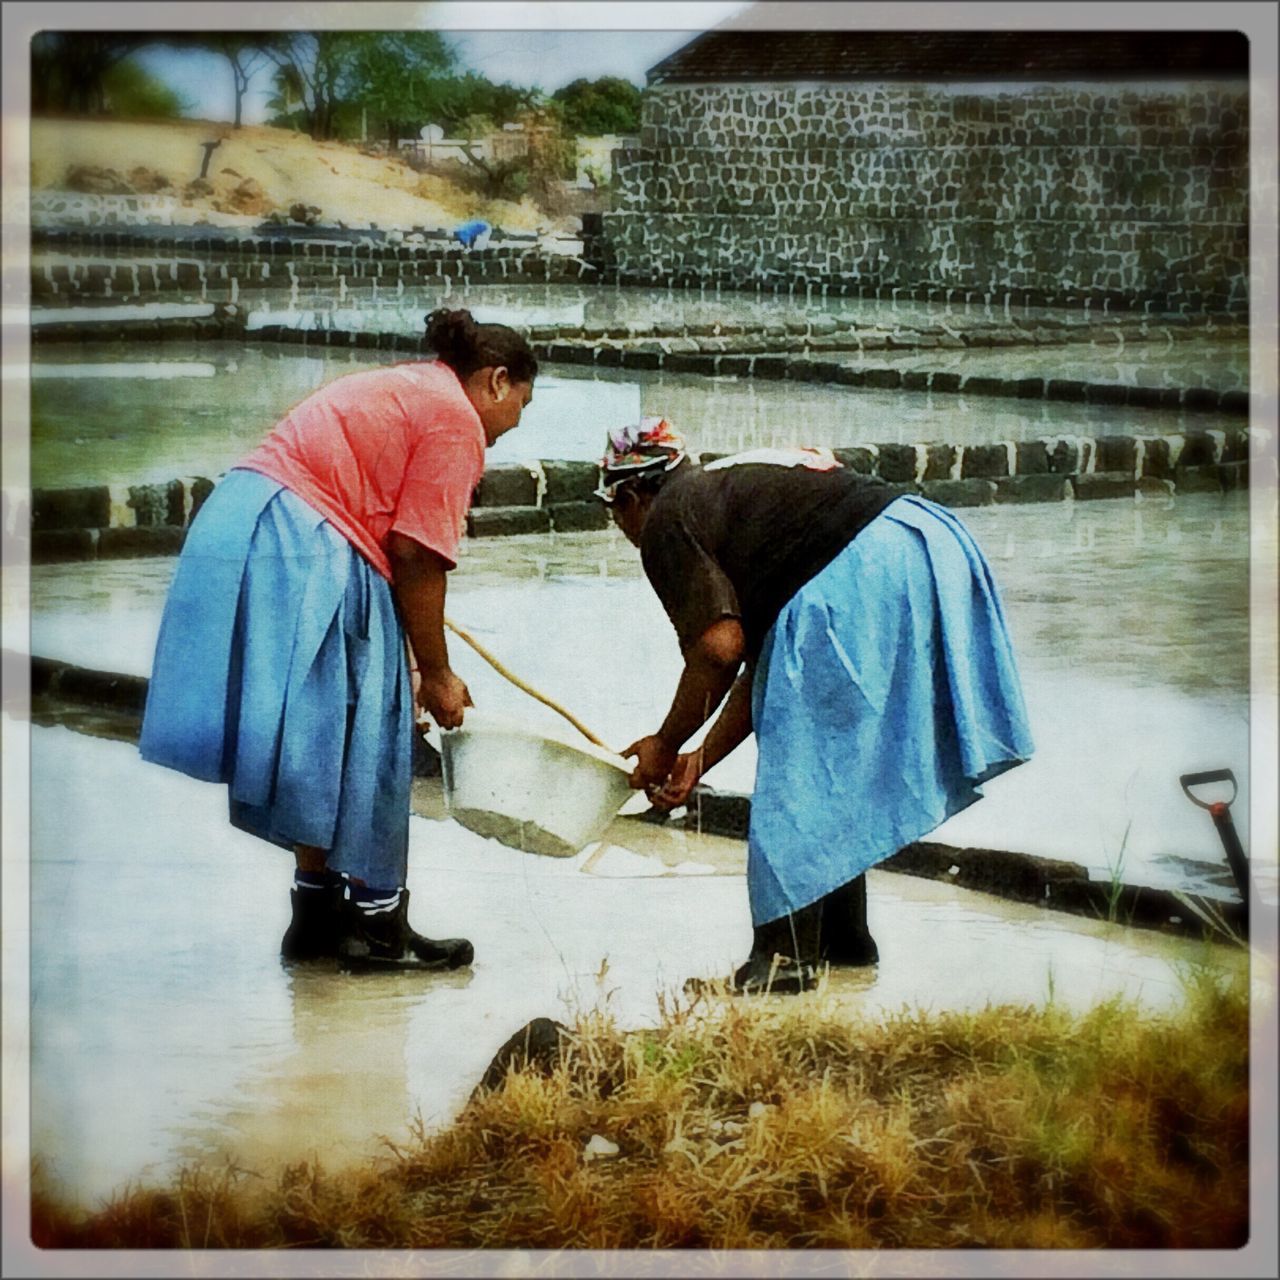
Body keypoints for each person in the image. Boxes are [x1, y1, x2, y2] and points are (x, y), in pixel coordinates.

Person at [139, 309, 537, 972]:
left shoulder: (412, 388)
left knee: (324, 736)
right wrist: (436, 673)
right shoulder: (454, 418)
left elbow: (395, 544)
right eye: (517, 409)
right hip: (303, 537)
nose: (500, 439)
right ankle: (378, 928)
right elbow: (416, 554)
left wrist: (415, 652)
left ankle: (317, 916)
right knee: (374, 733)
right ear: (496, 382)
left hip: (252, 523)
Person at [603, 419, 1035, 994]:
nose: (624, 528)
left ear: (631, 495)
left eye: (615, 512)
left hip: (858, 565)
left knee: (800, 769)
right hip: (922, 539)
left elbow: (718, 650)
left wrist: (664, 744)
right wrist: (699, 759)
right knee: (836, 766)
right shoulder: (727, 489)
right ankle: (845, 941)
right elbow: (761, 669)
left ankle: (783, 961)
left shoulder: (668, 517)